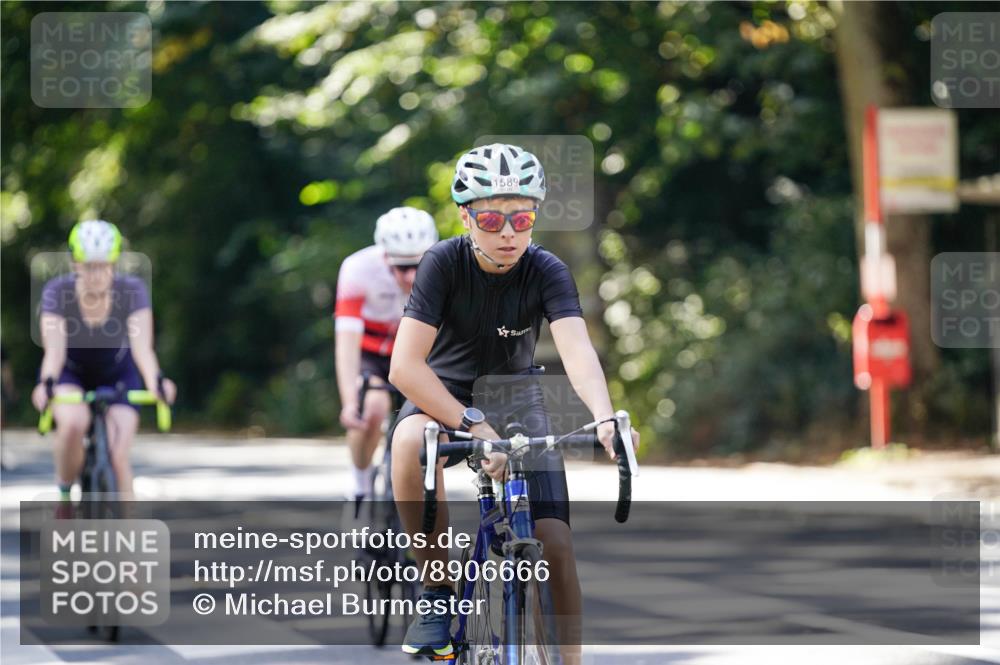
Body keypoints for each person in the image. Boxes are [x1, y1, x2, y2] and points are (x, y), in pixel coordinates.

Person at [388, 143, 639, 661]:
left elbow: (577, 350)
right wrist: (474, 427)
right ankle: (436, 591)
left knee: (557, 546)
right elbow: (405, 367)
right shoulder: (442, 263)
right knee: (409, 441)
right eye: (491, 219)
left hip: (518, 399)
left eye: (521, 219)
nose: (508, 233)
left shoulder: (546, 270)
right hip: (448, 395)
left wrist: (604, 418)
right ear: (465, 216)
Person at [31, 220, 176, 507]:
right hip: (70, 374)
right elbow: (55, 353)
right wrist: (46, 385)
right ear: (75, 264)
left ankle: (131, 539)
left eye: (104, 266)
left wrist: (157, 382)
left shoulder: (132, 291)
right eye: (89, 266)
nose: (97, 274)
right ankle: (64, 495)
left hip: (118, 374)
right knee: (73, 422)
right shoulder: (56, 293)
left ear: (114, 263)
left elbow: (143, 349)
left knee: (118, 455)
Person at [334, 207, 438, 515]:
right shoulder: (357, 269)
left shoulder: (444, 268)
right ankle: (360, 483)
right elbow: (346, 342)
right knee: (373, 408)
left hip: (416, 350)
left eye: (418, 265)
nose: (410, 277)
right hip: (371, 350)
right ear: (384, 257)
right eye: (401, 267)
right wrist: (349, 402)